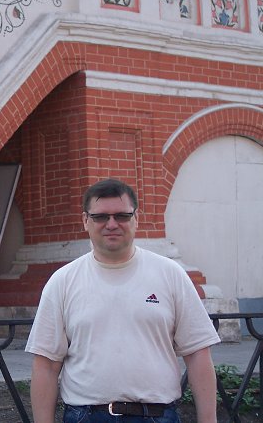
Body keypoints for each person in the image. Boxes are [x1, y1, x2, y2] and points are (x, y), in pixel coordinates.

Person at [25, 178, 220, 422]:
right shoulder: (62, 281)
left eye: (122, 216)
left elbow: (197, 354)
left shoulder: (170, 274)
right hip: (86, 416)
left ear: (136, 218)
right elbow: (46, 365)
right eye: (100, 217)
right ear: (85, 220)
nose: (111, 224)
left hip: (157, 415)